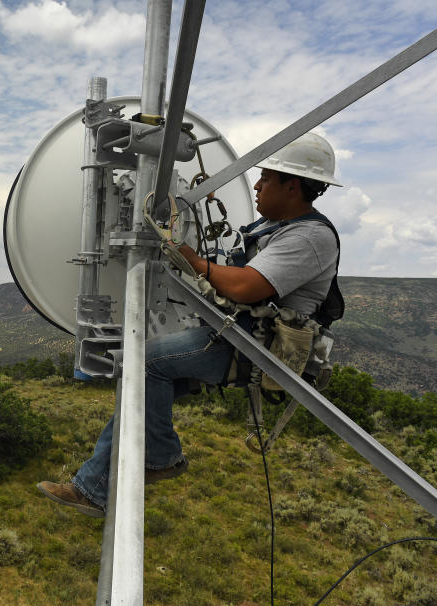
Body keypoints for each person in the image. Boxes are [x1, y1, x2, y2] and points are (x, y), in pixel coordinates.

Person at [37, 132, 343, 517]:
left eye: (266, 178)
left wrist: (196, 262)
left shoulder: (310, 236)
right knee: (139, 395)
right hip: (234, 333)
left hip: (249, 346)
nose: (258, 184)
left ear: (293, 185)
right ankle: (92, 489)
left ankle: (163, 457)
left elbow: (248, 287)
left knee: (144, 364)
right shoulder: (276, 229)